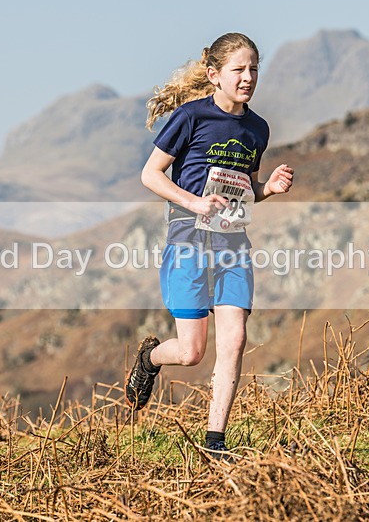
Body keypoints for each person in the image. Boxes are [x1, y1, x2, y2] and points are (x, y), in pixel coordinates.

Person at [125, 33, 294, 459]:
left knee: (234, 339)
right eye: (239, 70)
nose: (248, 77)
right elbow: (150, 174)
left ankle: (215, 443)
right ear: (214, 74)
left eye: (254, 69)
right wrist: (195, 201)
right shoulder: (190, 117)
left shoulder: (257, 129)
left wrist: (268, 188)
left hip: (233, 243)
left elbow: (245, 190)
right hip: (188, 239)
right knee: (191, 352)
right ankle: (151, 358)